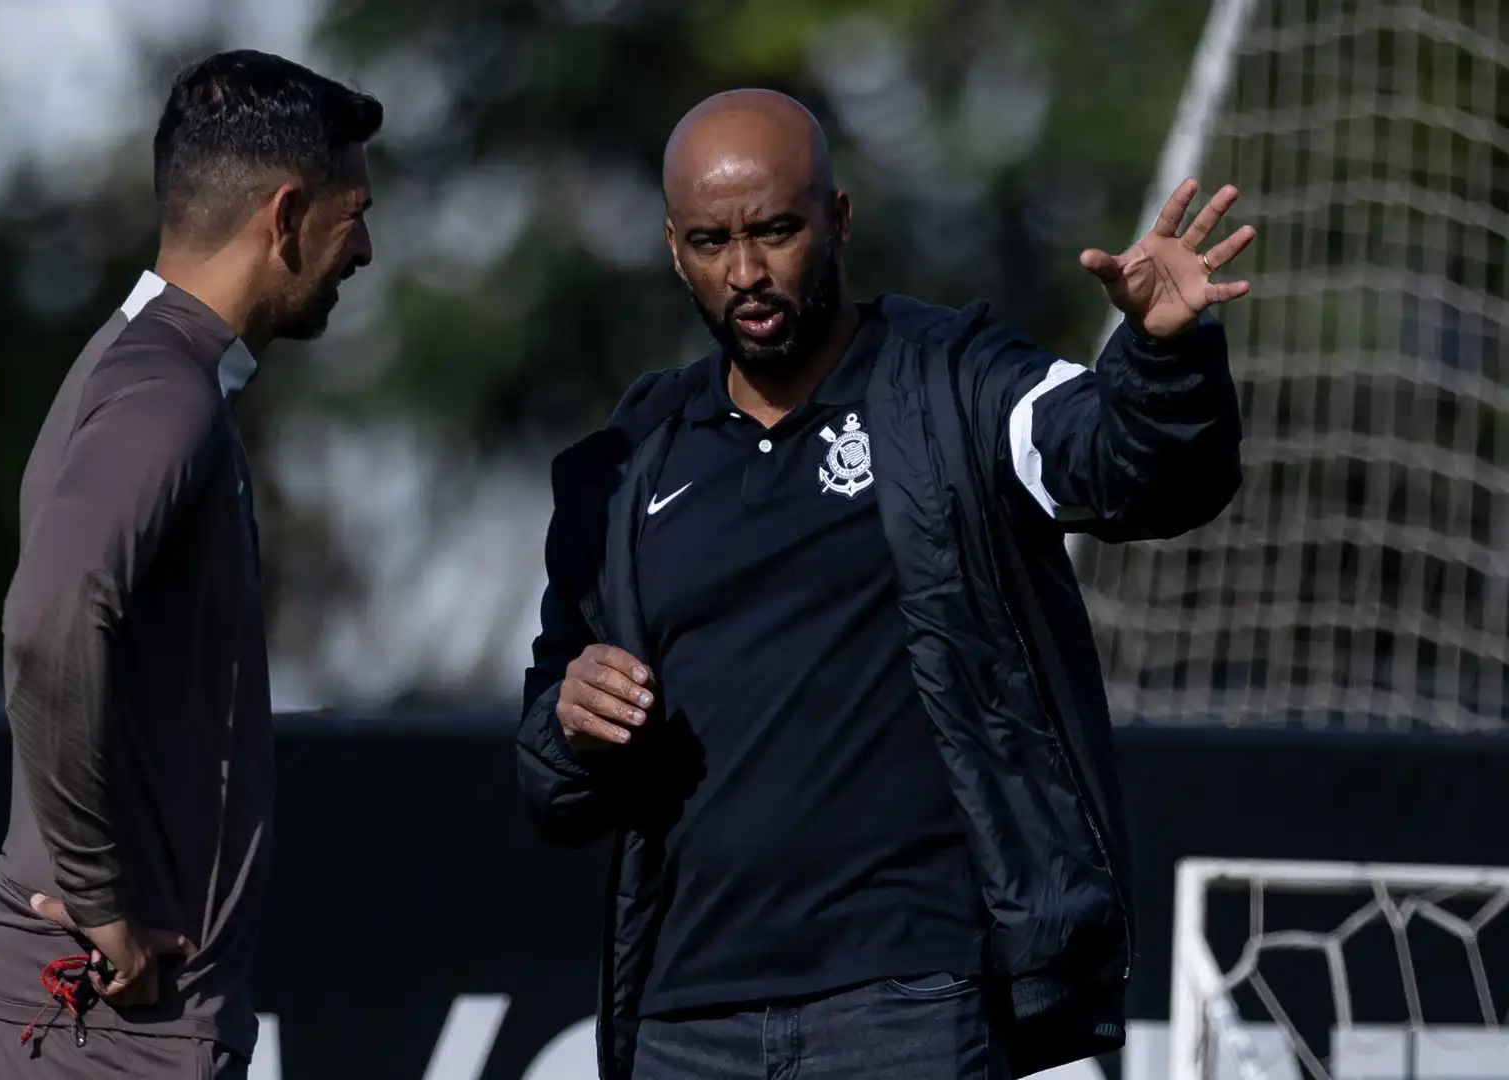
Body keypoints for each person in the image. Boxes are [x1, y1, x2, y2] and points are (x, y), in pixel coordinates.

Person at [515, 89, 1252, 1080]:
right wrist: (573, 721)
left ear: (839, 217)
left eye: (777, 230)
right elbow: (550, 781)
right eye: (709, 242)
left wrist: (1161, 358)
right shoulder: (626, 462)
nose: (747, 273)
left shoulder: (952, 383)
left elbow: (1124, 467)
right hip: (686, 1016)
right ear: (672, 246)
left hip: (910, 1001)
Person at [0, 50, 377, 1079]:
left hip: (113, 1016)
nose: (364, 248)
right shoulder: (165, 390)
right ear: (284, 217)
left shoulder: (139, 361)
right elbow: (49, 621)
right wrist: (101, 900)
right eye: (354, 213)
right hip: (113, 1020)